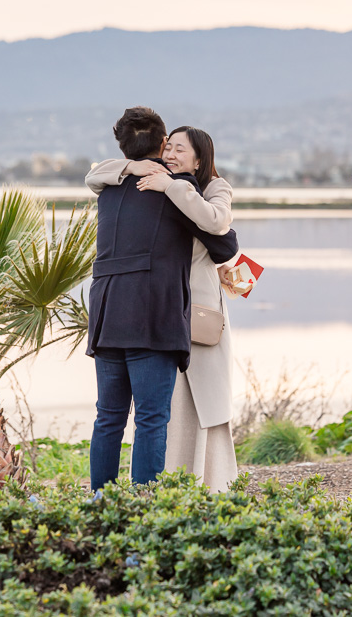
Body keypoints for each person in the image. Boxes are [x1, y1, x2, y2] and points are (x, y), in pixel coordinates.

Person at [85, 107, 239, 491]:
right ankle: (146, 506)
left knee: (108, 418)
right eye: (168, 146)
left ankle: (100, 501)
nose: (170, 155)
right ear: (160, 145)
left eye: (178, 149)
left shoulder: (109, 189)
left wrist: (130, 168)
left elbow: (94, 174)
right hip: (153, 317)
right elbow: (225, 240)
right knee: (152, 419)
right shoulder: (174, 189)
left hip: (106, 315)